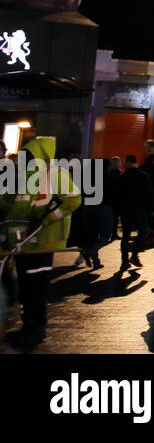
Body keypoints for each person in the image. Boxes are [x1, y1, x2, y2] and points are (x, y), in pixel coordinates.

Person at [0, 136, 82, 351]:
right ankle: (29, 327)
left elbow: (73, 200)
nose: (23, 159)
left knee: (35, 288)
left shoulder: (56, 174)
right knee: (27, 288)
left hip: (44, 240)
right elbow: (10, 204)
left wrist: (46, 219)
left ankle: (36, 330)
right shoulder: (23, 177)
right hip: (24, 242)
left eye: (27, 155)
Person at [116, 154, 154, 271]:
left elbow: (118, 195)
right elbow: (149, 193)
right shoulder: (143, 176)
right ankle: (134, 254)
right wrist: (152, 208)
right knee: (143, 232)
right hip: (140, 209)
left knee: (126, 235)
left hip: (126, 210)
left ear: (127, 162)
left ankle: (124, 261)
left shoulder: (123, 177)